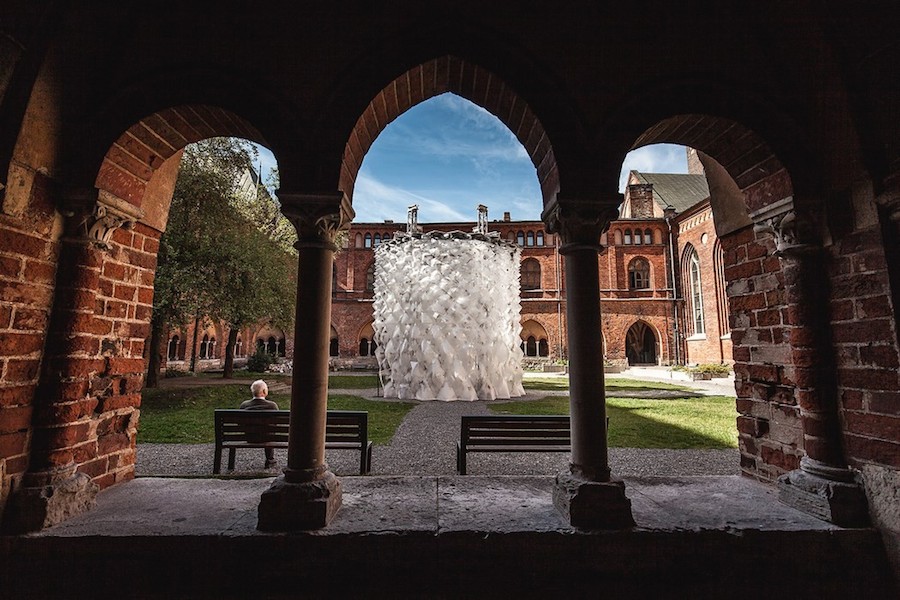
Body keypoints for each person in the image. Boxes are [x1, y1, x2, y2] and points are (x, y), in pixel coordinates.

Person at [240, 379, 279, 469]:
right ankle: (270, 459)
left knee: (266, 430)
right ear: (264, 391)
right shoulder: (272, 406)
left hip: (249, 437)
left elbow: (240, 424)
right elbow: (275, 423)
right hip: (267, 437)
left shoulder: (244, 405)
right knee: (269, 431)